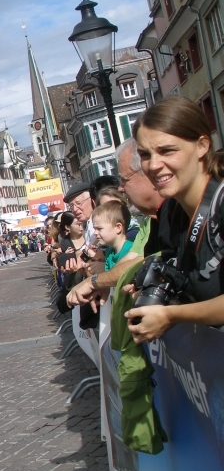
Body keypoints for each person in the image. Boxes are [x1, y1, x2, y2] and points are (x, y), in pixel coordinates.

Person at [125, 96, 224, 342]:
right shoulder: (170, 211)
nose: (154, 165)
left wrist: (172, 315)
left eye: (167, 150)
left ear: (202, 145)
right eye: (145, 155)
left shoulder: (220, 202)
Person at [68, 138, 164, 310]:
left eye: (125, 179)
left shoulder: (143, 225)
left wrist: (96, 280)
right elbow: (134, 259)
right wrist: (102, 281)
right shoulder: (149, 219)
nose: (121, 188)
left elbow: (140, 262)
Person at [91, 201, 133, 272]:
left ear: (118, 228)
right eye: (95, 229)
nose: (95, 233)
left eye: (99, 228)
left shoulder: (131, 250)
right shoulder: (110, 253)